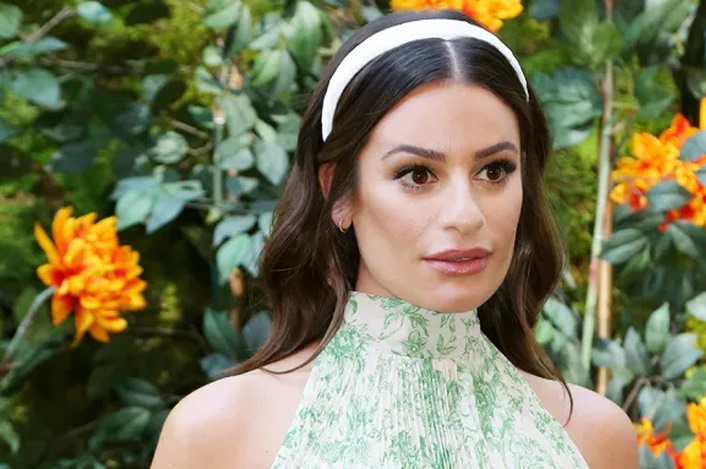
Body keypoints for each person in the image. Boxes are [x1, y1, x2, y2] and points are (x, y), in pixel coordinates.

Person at [152, 9, 638, 469]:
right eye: (417, 174)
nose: (465, 215)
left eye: (494, 170)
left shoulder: (595, 437)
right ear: (339, 192)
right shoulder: (218, 433)